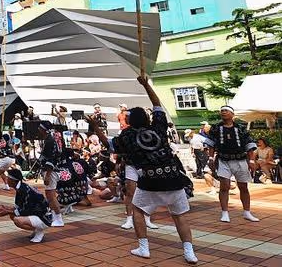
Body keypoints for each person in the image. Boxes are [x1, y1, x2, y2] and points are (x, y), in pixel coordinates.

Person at [94, 76, 197, 264]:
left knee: (138, 211)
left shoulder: (127, 136)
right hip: (173, 177)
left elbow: (107, 144)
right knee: (179, 216)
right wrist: (146, 85)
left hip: (150, 180)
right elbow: (157, 104)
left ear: (131, 121)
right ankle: (189, 252)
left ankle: (143, 248)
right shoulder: (158, 127)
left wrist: (94, 126)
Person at [203, 105, 260, 223]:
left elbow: (249, 145)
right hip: (223, 160)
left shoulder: (240, 128)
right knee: (224, 187)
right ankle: (224, 213)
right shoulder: (215, 128)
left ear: (232, 114)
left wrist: (251, 160)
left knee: (243, 187)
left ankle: (247, 212)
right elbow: (211, 144)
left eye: (226, 111)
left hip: (240, 160)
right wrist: (210, 158)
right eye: (222, 111)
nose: (223, 112)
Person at [0, 168, 52, 243]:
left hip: (44, 217)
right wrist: (6, 209)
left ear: (13, 181)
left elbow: (26, 210)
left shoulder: (25, 191)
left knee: (17, 220)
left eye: (8, 178)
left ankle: (39, 231)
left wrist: (7, 211)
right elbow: (18, 207)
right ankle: (37, 229)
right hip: (37, 213)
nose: (6, 179)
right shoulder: (20, 188)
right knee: (13, 215)